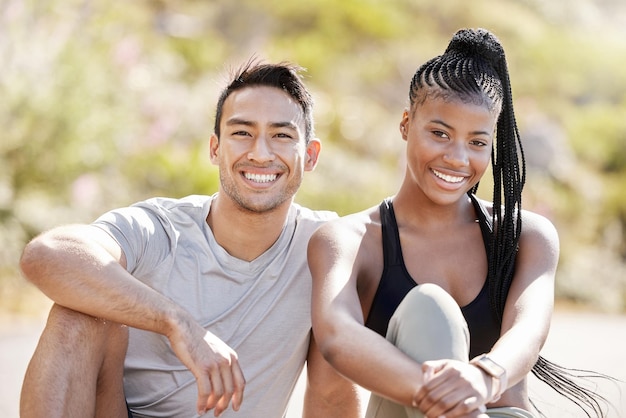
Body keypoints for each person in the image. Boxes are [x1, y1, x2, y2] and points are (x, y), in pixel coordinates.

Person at [19, 61, 360, 418]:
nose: (260, 153)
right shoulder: (161, 229)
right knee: (77, 314)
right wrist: (176, 323)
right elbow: (46, 255)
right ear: (215, 149)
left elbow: (333, 395)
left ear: (310, 155)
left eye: (281, 135)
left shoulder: (325, 247)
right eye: (242, 133)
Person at [308, 28, 611, 418]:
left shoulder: (525, 237)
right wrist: (451, 396)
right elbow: (336, 335)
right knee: (430, 307)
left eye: (477, 142)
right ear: (405, 124)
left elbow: (529, 330)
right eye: (439, 133)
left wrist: (482, 378)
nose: (457, 158)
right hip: (409, 410)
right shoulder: (350, 240)